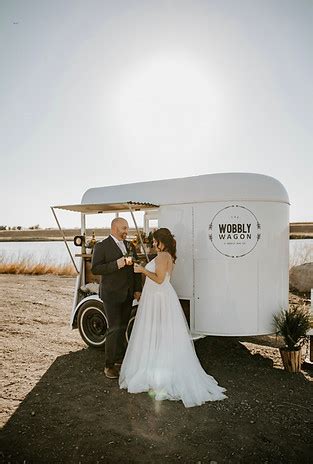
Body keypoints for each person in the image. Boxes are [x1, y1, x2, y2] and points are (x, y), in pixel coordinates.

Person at [119, 228, 227, 408]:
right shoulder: (168, 256)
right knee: (164, 334)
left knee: (159, 333)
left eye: (155, 241)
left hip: (159, 297)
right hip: (162, 296)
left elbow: (159, 279)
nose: (153, 244)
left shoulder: (163, 256)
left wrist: (141, 270)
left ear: (163, 241)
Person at [91, 217, 142, 379]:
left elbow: (135, 268)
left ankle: (120, 360)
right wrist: (117, 264)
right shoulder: (101, 246)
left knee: (123, 327)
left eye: (126, 228)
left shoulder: (129, 245)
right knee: (113, 329)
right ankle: (109, 365)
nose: (126, 231)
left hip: (127, 293)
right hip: (111, 294)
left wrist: (137, 289)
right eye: (123, 228)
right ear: (114, 228)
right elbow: (95, 268)